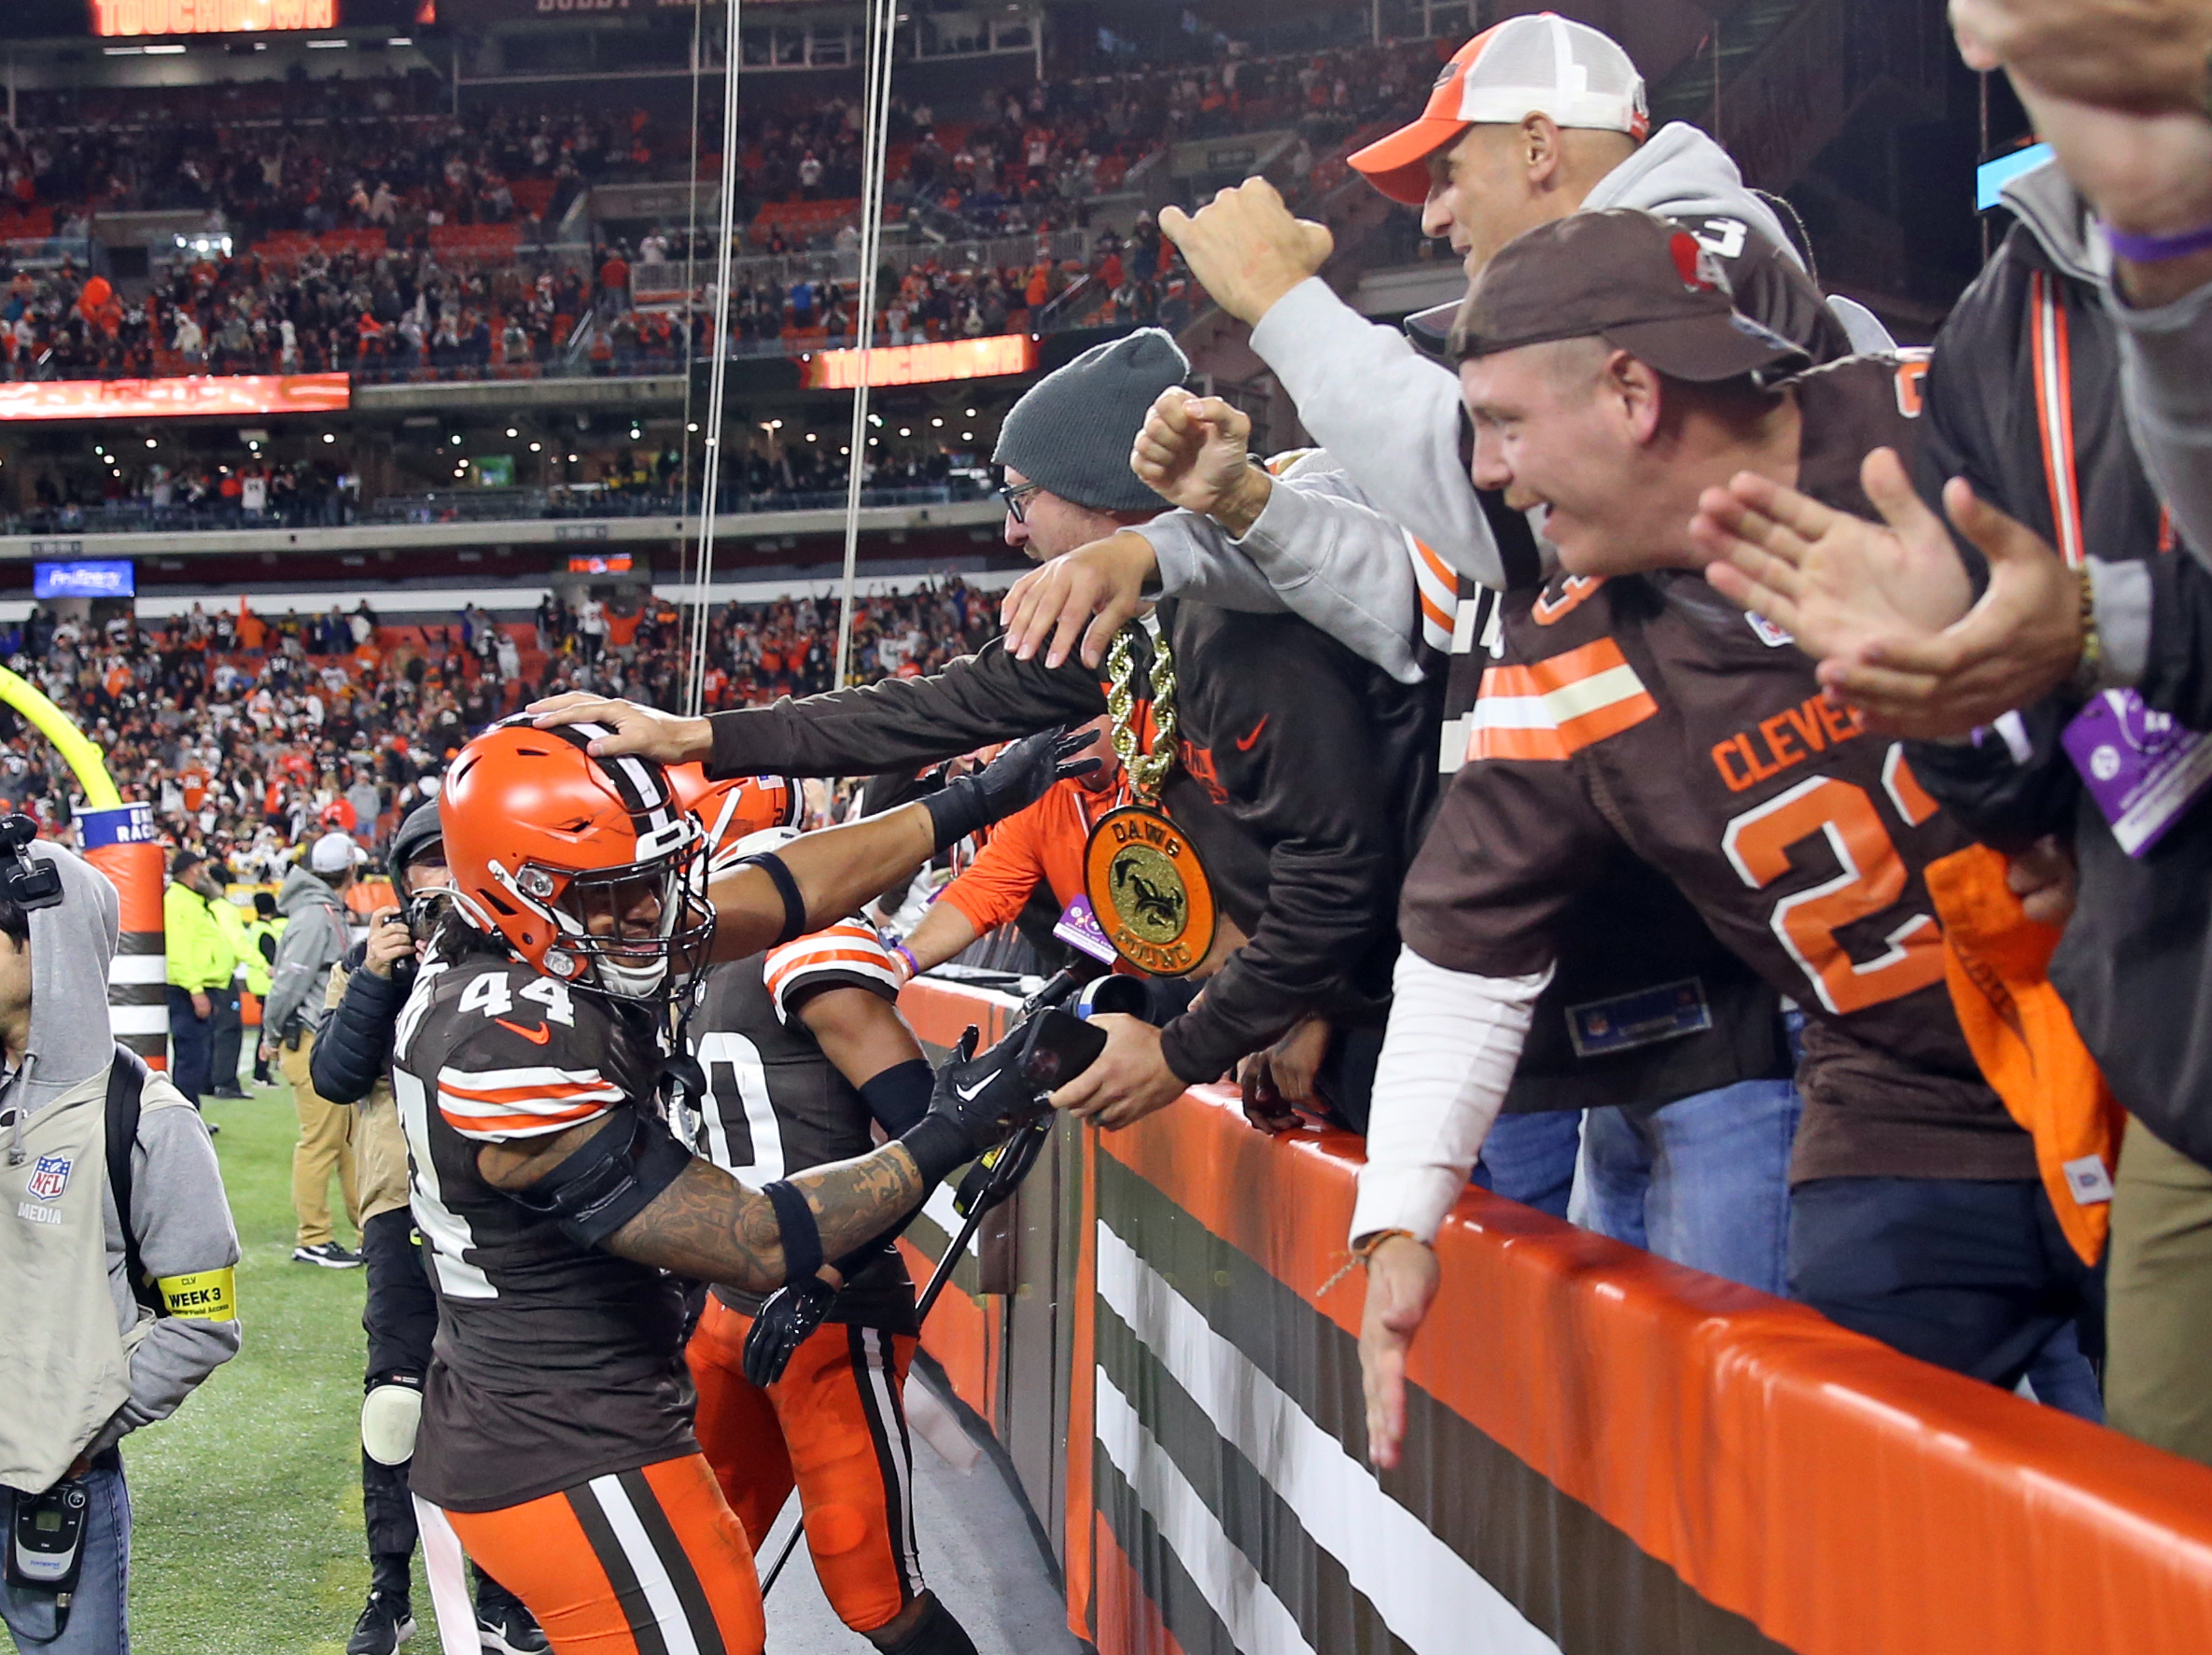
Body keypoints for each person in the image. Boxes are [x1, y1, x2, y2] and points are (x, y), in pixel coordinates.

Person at [1351, 209, 2094, 1470]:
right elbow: (1469, 947)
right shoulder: (1568, 639)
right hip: (1905, 1094)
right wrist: (1402, 1215)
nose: (1487, 471)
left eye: (1504, 420)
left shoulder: (1965, 425)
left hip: (2147, 1049)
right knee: (1841, 1500)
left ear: (1632, 391)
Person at [536, 330, 1436, 1133]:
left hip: (1421, 1009)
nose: (1010, 530)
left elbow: (1336, 869)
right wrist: (700, 735)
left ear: (1098, 493)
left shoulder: (1252, 629)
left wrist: (1203, 1043)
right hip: (1349, 997)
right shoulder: (1141, 614)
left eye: (1020, 496)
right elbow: (929, 709)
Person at [391, 716, 1093, 1652]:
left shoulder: (519, 950)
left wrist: (976, 799)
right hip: (564, 1436)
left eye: (657, 881)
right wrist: (955, 1128)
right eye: (621, 894)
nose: (658, 915)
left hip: (570, 1411)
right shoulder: (510, 1041)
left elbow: (783, 893)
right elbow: (755, 1241)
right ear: (521, 892)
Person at [680, 816, 979, 1655]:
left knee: (873, 1588)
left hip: (826, 1313)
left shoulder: (804, 947)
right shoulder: (685, 960)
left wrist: (828, 1273)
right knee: (698, 1568)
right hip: (723, 1308)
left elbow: (921, 1138)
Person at [308, 806, 545, 1655]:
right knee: (394, 1401)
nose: (438, 888)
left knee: (498, 1389)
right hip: (400, 1199)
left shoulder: (521, 952)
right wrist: (376, 975)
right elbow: (334, 1077)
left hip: (498, 1201)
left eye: (453, 868)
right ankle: (390, 1590)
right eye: (423, 874)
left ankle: (503, 1590)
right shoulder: (373, 958)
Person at [0, 832, 241, 1654]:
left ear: (45, 948)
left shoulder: (148, 1119)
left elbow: (202, 1320)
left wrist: (80, 1426)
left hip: (60, 1491)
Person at [264, 832, 366, 1269]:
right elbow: (289, 983)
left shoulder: (320, 912)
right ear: (350, 869)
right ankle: (313, 1238)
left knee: (346, 1141)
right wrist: (271, 1034)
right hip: (309, 1038)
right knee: (322, 1143)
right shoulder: (316, 916)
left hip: (319, 1038)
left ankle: (368, 1231)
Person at [161, 848, 233, 1110]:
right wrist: (195, 990)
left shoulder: (190, 901)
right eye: (203, 868)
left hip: (200, 987)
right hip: (188, 990)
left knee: (196, 1058)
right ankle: (185, 1118)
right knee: (190, 1059)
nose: (207, 874)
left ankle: (190, 1115)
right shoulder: (179, 902)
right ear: (193, 870)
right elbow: (179, 951)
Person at [205, 876, 250, 1101]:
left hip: (199, 979)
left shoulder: (199, 907)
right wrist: (264, 964)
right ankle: (225, 1082)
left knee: (206, 1033)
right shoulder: (225, 909)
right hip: (221, 979)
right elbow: (238, 943)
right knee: (229, 1031)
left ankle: (206, 1082)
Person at [243, 890, 285, 1086]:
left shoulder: (256, 928)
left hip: (258, 984)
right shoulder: (266, 931)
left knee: (266, 1029)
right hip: (267, 985)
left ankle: (263, 1071)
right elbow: (273, 958)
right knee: (267, 1030)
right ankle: (261, 1072)